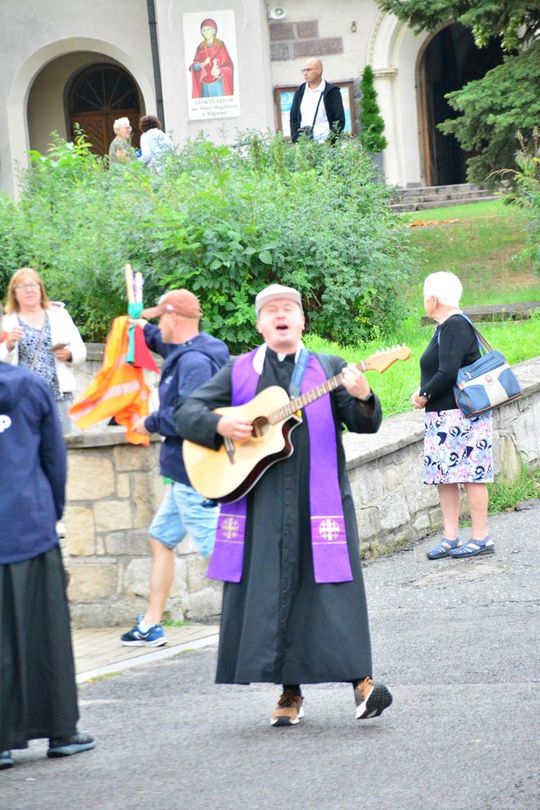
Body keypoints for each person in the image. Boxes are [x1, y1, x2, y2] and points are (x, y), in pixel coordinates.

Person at [175, 283, 393, 726]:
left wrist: (363, 394)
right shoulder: (239, 371)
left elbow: (363, 423)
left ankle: (362, 683)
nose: (281, 315)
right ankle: (289, 692)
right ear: (259, 324)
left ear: (301, 321)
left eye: (289, 309)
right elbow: (186, 412)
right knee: (274, 593)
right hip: (262, 504)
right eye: (271, 310)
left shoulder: (329, 367)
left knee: (335, 592)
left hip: (320, 501)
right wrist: (222, 425)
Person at [0, 306, 95, 770]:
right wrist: (51, 513)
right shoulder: (30, 386)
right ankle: (61, 731)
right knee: (47, 635)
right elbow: (54, 460)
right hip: (30, 525)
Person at [120, 289, 229, 647]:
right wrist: (142, 329)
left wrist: (148, 423)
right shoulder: (198, 349)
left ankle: (260, 621)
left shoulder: (194, 363)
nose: (158, 325)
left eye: (160, 319)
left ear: (173, 318)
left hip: (193, 472)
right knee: (160, 538)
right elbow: (166, 345)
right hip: (185, 470)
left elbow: (191, 418)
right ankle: (151, 623)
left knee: (221, 556)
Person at [412, 271, 494, 559]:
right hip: (443, 416)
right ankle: (450, 537)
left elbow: (447, 372)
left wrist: (423, 394)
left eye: (425, 296)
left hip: (463, 415)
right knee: (444, 477)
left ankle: (481, 537)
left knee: (472, 475)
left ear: (433, 299)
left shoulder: (455, 325)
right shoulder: (444, 326)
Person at [0, 267, 86, 433]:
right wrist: (8, 345)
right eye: (23, 286)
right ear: (14, 293)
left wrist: (69, 355)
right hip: (22, 399)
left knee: (65, 443)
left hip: (58, 396)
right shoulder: (8, 322)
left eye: (33, 284)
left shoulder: (60, 316)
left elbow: (80, 351)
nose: (29, 290)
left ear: (41, 289)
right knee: (25, 444)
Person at [290, 58, 345, 143]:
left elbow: (339, 120)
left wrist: (330, 141)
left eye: (308, 70)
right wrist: (295, 139)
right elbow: (293, 117)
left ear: (319, 71)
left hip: (325, 145)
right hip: (304, 144)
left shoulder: (332, 92)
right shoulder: (300, 91)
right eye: (303, 70)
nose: (305, 73)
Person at [189, 17, 234, 98]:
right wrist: (202, 64)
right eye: (203, 30)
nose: (206, 32)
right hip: (205, 85)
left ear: (214, 31)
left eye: (208, 29)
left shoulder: (220, 45)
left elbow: (229, 65)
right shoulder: (200, 47)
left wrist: (220, 71)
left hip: (218, 84)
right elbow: (194, 67)